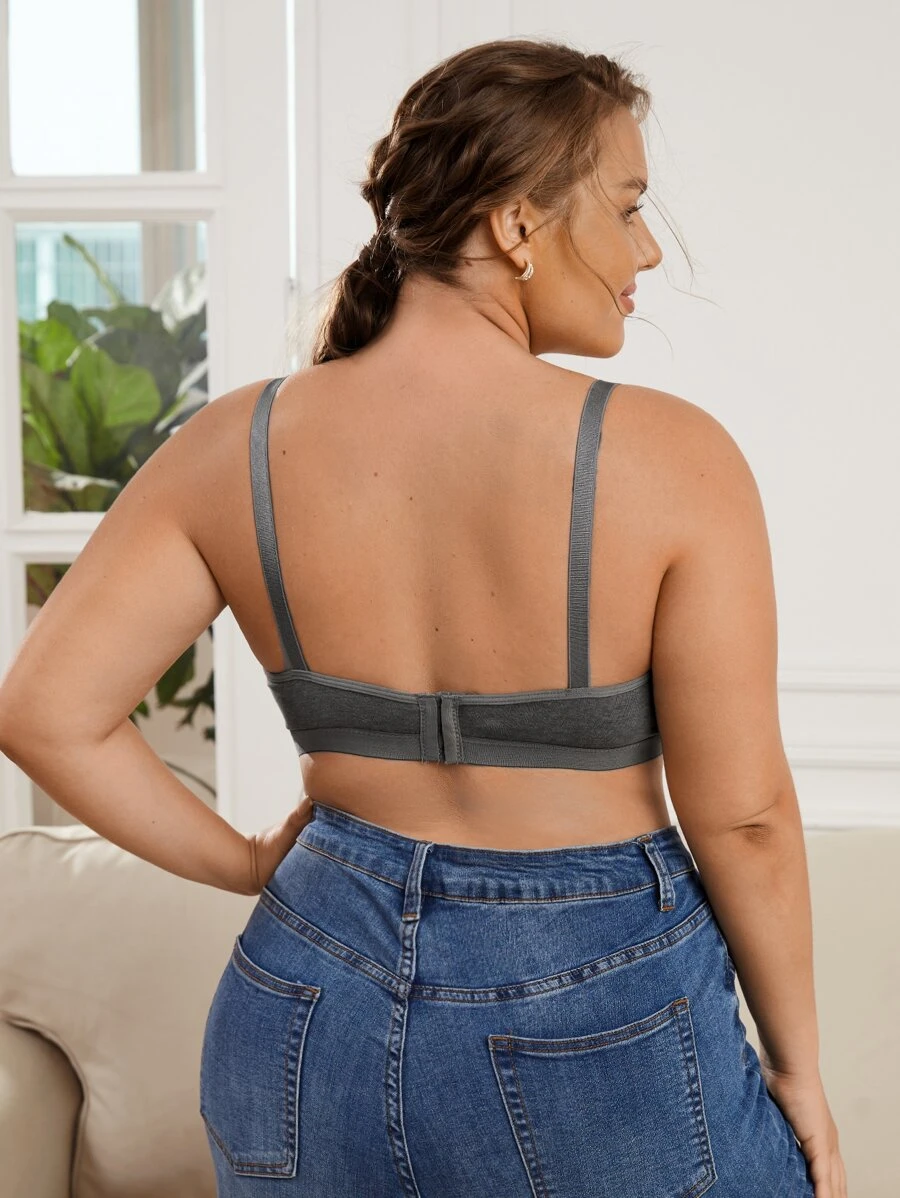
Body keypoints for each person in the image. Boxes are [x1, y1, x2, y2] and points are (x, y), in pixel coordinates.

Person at [0, 36, 846, 1198]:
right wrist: (798, 1070)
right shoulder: (671, 458)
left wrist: (247, 864)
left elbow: (44, 711)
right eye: (628, 205)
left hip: (303, 998)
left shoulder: (234, 445)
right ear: (517, 224)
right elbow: (742, 817)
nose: (647, 248)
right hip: (595, 1009)